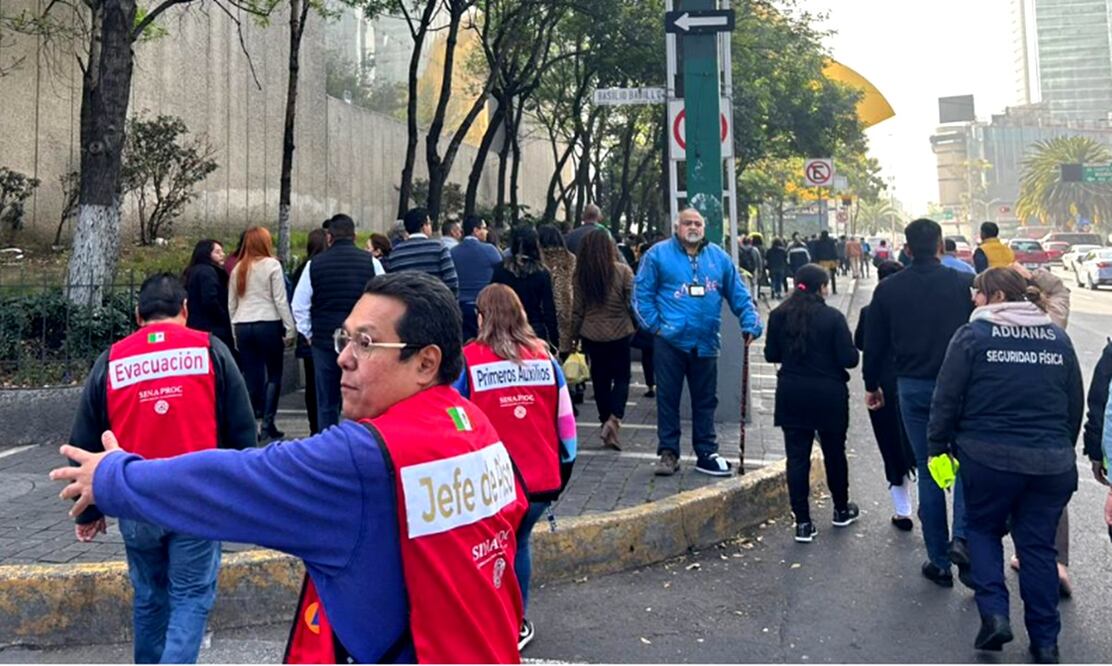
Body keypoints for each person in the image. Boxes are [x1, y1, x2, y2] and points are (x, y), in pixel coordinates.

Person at [52, 273, 529, 664]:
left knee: (162, 599)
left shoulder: (361, 459)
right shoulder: (475, 428)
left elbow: (236, 481)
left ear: (426, 362)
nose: (342, 356)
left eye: (365, 343)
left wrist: (112, 478)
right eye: (345, 337)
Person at [66, 274, 256, 664]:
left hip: (136, 500)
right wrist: (242, 498)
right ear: (185, 311)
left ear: (138, 315)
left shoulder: (112, 359)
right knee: (190, 596)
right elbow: (242, 430)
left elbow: (83, 440)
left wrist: (90, 509)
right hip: (197, 499)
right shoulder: (211, 350)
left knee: (150, 597)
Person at [928, 267, 1082, 663]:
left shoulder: (973, 336)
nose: (973, 300)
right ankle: (1046, 642)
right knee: (1037, 549)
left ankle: (995, 615)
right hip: (1050, 465)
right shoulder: (1057, 338)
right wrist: (1060, 449)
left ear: (996, 296)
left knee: (981, 531)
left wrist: (937, 447)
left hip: (987, 460)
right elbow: (1072, 406)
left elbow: (946, 398)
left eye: (977, 293)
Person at [453, 283, 577, 651]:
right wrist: (562, 474)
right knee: (519, 544)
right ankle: (516, 620)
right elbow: (567, 429)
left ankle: (482, 619)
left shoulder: (468, 361)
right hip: (538, 483)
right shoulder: (545, 359)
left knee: (482, 551)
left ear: (481, 317)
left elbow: (454, 420)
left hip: (486, 485)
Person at [863, 218, 974, 588]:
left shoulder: (889, 290)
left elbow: (874, 343)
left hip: (913, 388)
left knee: (931, 466)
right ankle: (962, 538)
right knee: (962, 465)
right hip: (960, 387)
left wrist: (872, 385)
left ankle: (939, 561)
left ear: (907, 249)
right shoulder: (963, 284)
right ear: (940, 245)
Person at [633, 208, 763, 477]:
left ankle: (706, 452)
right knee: (668, 398)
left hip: (705, 341)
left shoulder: (719, 258)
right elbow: (641, 294)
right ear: (676, 227)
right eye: (687, 223)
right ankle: (668, 453)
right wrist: (656, 327)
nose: (693, 227)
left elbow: (739, 294)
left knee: (706, 400)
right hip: (670, 341)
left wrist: (750, 322)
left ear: (704, 228)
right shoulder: (657, 255)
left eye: (698, 223)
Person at [764, 265, 860, 542]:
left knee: (796, 457)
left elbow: (771, 354)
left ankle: (803, 523)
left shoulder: (778, 315)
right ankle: (841, 509)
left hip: (792, 392)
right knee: (834, 452)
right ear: (822, 287)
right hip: (828, 394)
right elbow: (849, 359)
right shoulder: (832, 317)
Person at [291, 214, 382, 432]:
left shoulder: (314, 265)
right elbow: (383, 298)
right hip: (361, 341)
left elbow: (299, 305)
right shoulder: (371, 262)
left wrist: (309, 333)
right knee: (362, 394)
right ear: (354, 236)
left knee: (327, 400)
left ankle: (327, 444)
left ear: (329, 237)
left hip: (324, 339)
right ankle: (362, 438)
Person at [854, 260, 916, 531]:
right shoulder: (916, 307)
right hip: (916, 381)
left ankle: (903, 511)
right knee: (926, 449)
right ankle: (935, 501)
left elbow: (861, 344)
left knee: (890, 445)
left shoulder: (870, 311)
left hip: (883, 386)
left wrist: (870, 384)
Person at [571, 229, 637, 450]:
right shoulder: (622, 271)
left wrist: (573, 336)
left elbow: (577, 310)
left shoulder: (581, 275)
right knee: (622, 378)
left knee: (599, 379)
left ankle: (603, 421)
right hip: (620, 332)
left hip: (591, 333)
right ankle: (614, 419)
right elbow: (633, 303)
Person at [228, 226, 295, 441]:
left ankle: (250, 421)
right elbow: (280, 299)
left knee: (252, 375)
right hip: (268, 322)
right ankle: (268, 423)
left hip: (243, 323)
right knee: (274, 374)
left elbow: (232, 304)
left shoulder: (239, 268)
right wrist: (290, 327)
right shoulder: (272, 265)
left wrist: (234, 333)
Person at [492, 225, 560, 351]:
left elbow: (492, 301)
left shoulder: (500, 270)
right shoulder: (542, 273)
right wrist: (554, 339)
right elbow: (548, 309)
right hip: (534, 330)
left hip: (505, 329)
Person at [290, 229, 328, 435]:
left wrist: (304, 331)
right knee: (326, 385)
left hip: (309, 336)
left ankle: (314, 427)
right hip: (320, 334)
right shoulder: (321, 267)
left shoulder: (302, 269)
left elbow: (297, 303)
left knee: (312, 386)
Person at [451, 214, 504, 341]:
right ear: (475, 230)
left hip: (460, 306)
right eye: (483, 228)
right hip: (484, 305)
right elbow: (502, 269)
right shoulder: (490, 250)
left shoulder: (453, 252)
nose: (486, 232)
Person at [387, 207, 459, 295]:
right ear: (424, 227)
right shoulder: (439, 248)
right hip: (436, 305)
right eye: (429, 224)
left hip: (407, 305)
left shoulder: (395, 253)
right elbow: (452, 282)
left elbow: (392, 286)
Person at [182, 239, 235, 355]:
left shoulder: (192, 271)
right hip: (212, 326)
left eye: (222, 251)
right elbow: (210, 299)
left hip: (194, 323)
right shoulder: (208, 272)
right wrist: (224, 317)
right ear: (207, 254)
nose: (222, 255)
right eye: (217, 252)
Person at [538, 224, 577, 357]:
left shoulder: (537, 259)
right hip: (566, 309)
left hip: (542, 311)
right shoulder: (570, 258)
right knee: (565, 350)